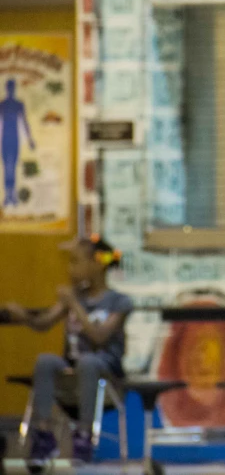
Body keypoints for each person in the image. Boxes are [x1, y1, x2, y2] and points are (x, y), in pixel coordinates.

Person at [4, 234, 132, 467]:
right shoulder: (74, 297)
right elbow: (43, 323)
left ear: (96, 264)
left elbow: (100, 337)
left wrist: (73, 304)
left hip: (106, 378)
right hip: (72, 377)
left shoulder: (119, 302)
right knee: (45, 360)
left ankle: (84, 434)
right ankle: (43, 434)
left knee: (89, 362)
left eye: (75, 261)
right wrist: (22, 315)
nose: (70, 269)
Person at [0, 79, 35, 207]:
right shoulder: (2, 104)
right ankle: (7, 195)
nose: (11, 90)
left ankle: (12, 195)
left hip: (14, 139)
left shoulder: (19, 104)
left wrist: (30, 140)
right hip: (5, 139)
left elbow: (25, 123)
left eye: (12, 87)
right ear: (7, 88)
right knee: (6, 167)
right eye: (9, 87)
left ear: (14, 89)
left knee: (12, 167)